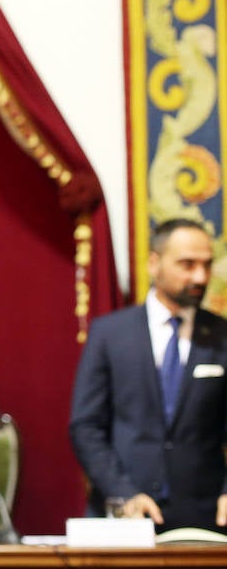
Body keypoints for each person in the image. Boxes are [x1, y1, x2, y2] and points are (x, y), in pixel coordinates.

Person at [69, 218, 227, 531]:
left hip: (205, 516)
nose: (200, 276)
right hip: (125, 513)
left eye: (206, 265)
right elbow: (86, 426)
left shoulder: (222, 336)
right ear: (154, 264)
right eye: (187, 264)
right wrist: (122, 492)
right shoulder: (109, 334)